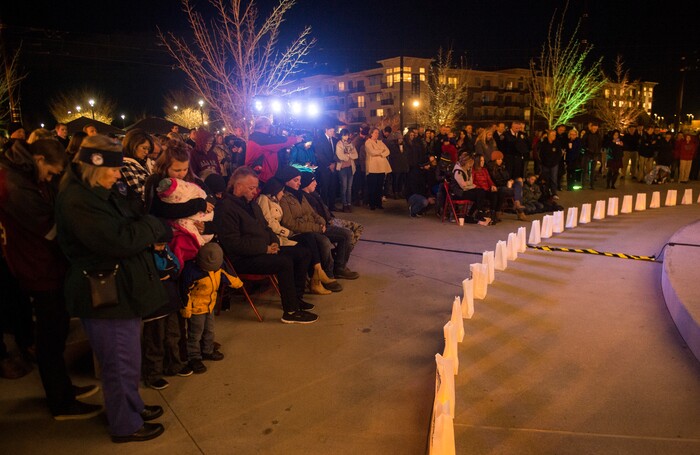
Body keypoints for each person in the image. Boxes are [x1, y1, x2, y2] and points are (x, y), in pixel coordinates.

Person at [56, 134, 169, 442]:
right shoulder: (79, 200)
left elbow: (129, 218)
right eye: (114, 169)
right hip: (105, 292)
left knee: (127, 359)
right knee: (119, 362)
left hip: (118, 287)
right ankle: (125, 424)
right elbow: (117, 240)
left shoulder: (95, 191)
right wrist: (154, 227)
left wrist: (144, 220)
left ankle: (131, 407)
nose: (119, 175)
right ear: (95, 167)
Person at [0, 139, 103, 419]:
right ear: (39, 159)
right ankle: (61, 402)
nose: (52, 178)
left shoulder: (22, 176)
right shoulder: (16, 185)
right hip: (37, 268)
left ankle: (64, 390)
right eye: (52, 172)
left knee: (55, 333)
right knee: (50, 336)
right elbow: (48, 227)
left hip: (43, 265)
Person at [213, 166, 317, 324]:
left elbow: (266, 227)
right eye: (251, 188)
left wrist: (274, 242)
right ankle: (290, 311)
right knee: (284, 262)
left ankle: (296, 299)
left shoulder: (251, 204)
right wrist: (264, 248)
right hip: (243, 259)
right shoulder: (226, 208)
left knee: (302, 253)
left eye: (255, 188)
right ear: (238, 186)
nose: (255, 191)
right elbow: (233, 244)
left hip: (262, 250)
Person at [257, 177, 331, 295]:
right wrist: (288, 232)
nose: (282, 192)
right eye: (281, 190)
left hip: (285, 234)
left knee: (309, 238)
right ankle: (314, 279)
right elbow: (270, 224)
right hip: (277, 237)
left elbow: (312, 213)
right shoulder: (264, 200)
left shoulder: (275, 201)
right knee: (308, 246)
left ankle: (317, 272)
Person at [277, 166, 343, 292]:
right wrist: (317, 227)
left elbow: (314, 213)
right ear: (286, 181)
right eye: (295, 180)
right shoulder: (285, 198)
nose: (299, 183)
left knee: (346, 234)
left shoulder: (300, 195)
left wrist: (321, 222)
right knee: (321, 241)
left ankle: (338, 268)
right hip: (302, 231)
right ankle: (323, 274)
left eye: (299, 180)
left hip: (315, 227)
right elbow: (290, 223)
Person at [180, 243, 242, 374]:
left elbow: (229, 275)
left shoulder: (218, 267)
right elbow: (184, 291)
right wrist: (186, 308)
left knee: (209, 329)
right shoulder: (191, 270)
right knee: (195, 333)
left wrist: (237, 283)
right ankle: (194, 357)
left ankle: (207, 350)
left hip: (210, 305)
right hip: (196, 308)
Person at [141, 241, 191, 390]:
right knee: (155, 340)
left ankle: (175, 365)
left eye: (164, 244)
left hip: (171, 302)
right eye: (159, 245)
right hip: (155, 306)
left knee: (173, 336)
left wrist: (169, 272)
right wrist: (168, 271)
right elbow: (159, 271)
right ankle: (153, 374)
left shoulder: (166, 250)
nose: (162, 248)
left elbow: (176, 268)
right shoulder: (145, 255)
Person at [299, 172, 360, 279]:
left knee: (357, 228)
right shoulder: (305, 198)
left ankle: (339, 257)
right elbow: (312, 216)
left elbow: (323, 211)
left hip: (328, 220)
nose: (316, 183)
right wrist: (324, 223)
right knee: (348, 233)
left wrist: (330, 218)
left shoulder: (314, 194)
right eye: (313, 181)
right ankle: (339, 264)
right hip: (322, 225)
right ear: (306, 183)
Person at [245, 117, 299, 184]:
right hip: (259, 178)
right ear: (265, 126)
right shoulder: (259, 139)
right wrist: (296, 139)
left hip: (263, 176)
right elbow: (279, 142)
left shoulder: (258, 137)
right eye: (270, 125)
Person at [486, 151, 528, 221]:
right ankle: (519, 208)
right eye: (498, 159)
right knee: (514, 190)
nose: (500, 161)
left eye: (501, 159)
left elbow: (507, 177)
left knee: (518, 182)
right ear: (494, 160)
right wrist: (507, 184)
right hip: (498, 187)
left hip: (506, 186)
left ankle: (517, 203)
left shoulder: (503, 167)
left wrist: (511, 181)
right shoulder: (491, 169)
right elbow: (495, 181)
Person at [450, 153, 489, 224]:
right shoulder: (458, 171)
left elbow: (470, 182)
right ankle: (473, 214)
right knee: (478, 196)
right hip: (458, 193)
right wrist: (470, 185)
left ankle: (475, 213)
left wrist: (469, 184)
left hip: (465, 190)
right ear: (466, 163)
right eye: (470, 164)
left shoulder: (468, 169)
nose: (471, 166)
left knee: (481, 191)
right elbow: (463, 186)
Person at [120, 129, 154, 203]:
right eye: (144, 148)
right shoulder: (125, 166)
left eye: (149, 149)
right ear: (132, 145)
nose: (146, 152)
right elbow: (138, 192)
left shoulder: (148, 162)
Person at [364, 127, 392, 210]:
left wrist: (380, 153)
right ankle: (372, 203)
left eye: (377, 133)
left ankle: (378, 203)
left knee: (379, 186)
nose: (377, 134)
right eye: (375, 133)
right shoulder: (368, 142)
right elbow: (372, 152)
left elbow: (387, 151)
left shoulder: (380, 142)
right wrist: (381, 151)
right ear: (371, 133)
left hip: (381, 167)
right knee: (372, 186)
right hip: (373, 167)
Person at [335, 128, 358, 212]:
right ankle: (344, 204)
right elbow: (340, 156)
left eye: (347, 135)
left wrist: (348, 155)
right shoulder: (339, 144)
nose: (346, 137)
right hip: (343, 168)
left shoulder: (351, 144)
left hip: (350, 167)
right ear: (341, 135)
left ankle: (349, 204)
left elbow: (356, 155)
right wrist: (349, 156)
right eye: (344, 135)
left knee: (349, 187)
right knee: (344, 187)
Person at [538, 130, 561, 199]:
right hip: (545, 164)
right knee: (546, 178)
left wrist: (555, 162)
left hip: (554, 164)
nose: (554, 136)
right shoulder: (543, 143)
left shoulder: (557, 143)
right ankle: (546, 192)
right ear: (549, 135)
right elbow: (541, 154)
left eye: (555, 135)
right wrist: (544, 162)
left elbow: (559, 154)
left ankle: (554, 193)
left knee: (554, 179)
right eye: (553, 135)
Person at [580, 122, 602, 189]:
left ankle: (592, 185)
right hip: (587, 153)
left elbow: (600, 144)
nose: (595, 129)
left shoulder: (598, 135)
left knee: (593, 170)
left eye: (596, 128)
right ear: (591, 128)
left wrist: (597, 151)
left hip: (595, 154)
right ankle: (583, 184)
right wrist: (587, 149)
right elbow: (583, 143)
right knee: (585, 169)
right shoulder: (587, 134)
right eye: (594, 128)